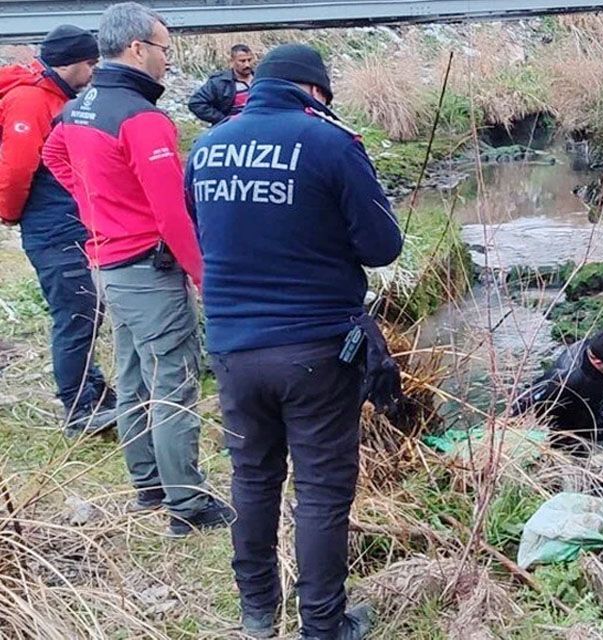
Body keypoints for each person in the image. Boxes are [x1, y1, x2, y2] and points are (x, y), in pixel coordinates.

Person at [188, 43, 402, 640]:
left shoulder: (205, 148)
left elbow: (203, 232)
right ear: (316, 92)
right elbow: (382, 247)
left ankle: (258, 614)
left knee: (252, 479)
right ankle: (323, 626)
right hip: (314, 350)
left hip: (232, 348)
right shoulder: (333, 143)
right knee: (321, 490)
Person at [42, 2, 230, 537]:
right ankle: (187, 505)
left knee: (130, 375)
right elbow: (172, 212)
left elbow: (53, 154)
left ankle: (147, 482)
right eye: (165, 49)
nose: (168, 61)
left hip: (108, 264)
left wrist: (95, 203)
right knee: (173, 379)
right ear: (138, 49)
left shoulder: (81, 105)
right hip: (147, 266)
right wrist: (203, 276)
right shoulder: (142, 117)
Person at [0, 25, 120, 437]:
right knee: (74, 312)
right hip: (51, 223)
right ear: (70, 62)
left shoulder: (55, 96)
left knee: (85, 309)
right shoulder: (31, 100)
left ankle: (94, 392)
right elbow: (16, 169)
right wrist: (11, 213)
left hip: (64, 219)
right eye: (90, 64)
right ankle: (80, 409)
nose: (93, 72)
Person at [510, 329, 603, 454]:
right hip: (563, 421)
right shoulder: (567, 377)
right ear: (598, 362)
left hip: (593, 412)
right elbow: (529, 400)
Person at [187, 43, 254, 125]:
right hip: (231, 129)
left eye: (249, 60)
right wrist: (222, 120)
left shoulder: (260, 78)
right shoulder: (219, 82)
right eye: (242, 61)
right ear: (232, 61)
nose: (247, 64)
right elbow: (196, 103)